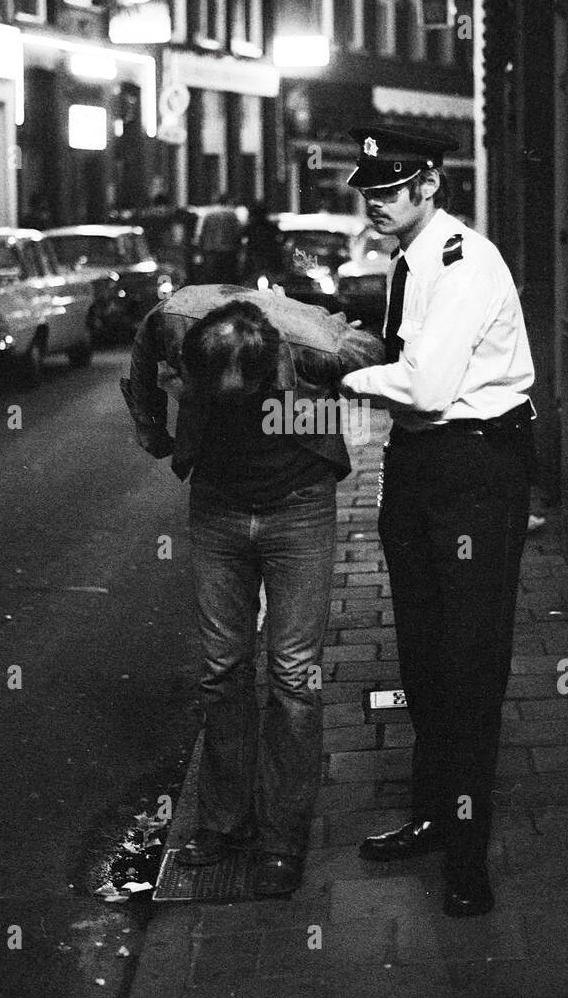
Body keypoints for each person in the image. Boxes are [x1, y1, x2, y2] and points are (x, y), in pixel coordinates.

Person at [121, 285, 383, 896]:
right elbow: (139, 374)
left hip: (298, 508)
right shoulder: (171, 324)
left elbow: (377, 355)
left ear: (275, 367)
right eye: (220, 397)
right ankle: (223, 824)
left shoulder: (314, 345)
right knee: (223, 669)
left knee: (294, 676)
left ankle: (282, 838)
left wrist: (349, 388)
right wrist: (154, 432)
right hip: (216, 508)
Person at [339, 125, 536, 918]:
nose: (375, 204)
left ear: (430, 186)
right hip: (422, 467)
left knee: (469, 659)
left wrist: (344, 368)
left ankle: (467, 856)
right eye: (370, 192)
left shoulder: (462, 263)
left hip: (474, 470)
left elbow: (422, 389)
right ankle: (431, 813)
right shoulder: (411, 260)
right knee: (422, 651)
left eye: (389, 191)